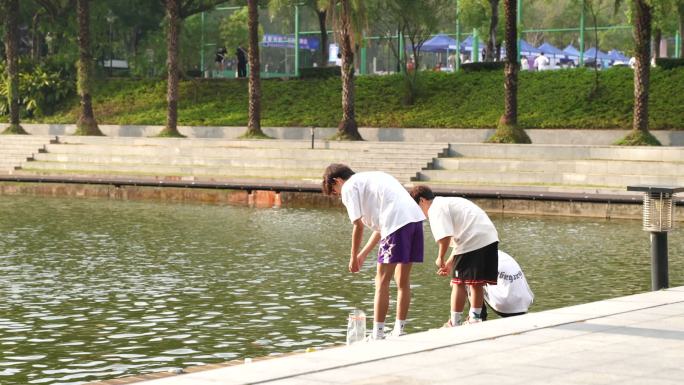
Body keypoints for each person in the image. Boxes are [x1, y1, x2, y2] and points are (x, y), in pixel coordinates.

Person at [322, 164, 425, 340]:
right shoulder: (371, 179)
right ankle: (399, 330)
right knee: (402, 280)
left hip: (397, 223)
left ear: (337, 181)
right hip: (415, 220)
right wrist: (362, 254)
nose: (339, 195)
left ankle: (378, 334)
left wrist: (353, 257)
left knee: (381, 281)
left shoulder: (349, 186)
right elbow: (381, 229)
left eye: (335, 191)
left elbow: (358, 226)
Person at [410, 185, 499, 327]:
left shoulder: (435, 208)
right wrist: (451, 262)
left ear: (422, 201)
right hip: (489, 237)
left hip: (473, 239)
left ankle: (455, 321)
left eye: (417, 209)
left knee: (458, 282)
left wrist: (440, 257)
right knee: (476, 282)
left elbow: (445, 236)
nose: (421, 214)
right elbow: (460, 242)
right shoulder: (447, 202)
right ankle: (475, 318)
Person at [478, 250, 534, 321]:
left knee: (470, 280)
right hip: (524, 303)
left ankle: (477, 317)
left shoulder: (477, 256)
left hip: (505, 307)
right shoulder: (501, 254)